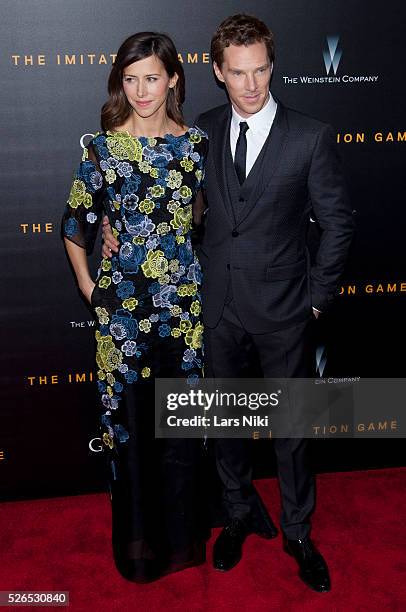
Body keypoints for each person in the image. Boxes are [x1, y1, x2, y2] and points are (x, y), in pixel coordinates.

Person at [102, 15, 355, 592]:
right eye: (237, 73)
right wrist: (117, 228)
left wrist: (315, 301)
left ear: (272, 65)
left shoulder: (309, 135)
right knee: (228, 424)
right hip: (214, 307)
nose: (251, 84)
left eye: (260, 69)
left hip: (285, 308)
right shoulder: (204, 132)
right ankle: (237, 515)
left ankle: (297, 531)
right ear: (218, 73)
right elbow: (172, 205)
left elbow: (338, 225)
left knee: (292, 429)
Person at [62, 31, 209, 583]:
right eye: (130, 79)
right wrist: (90, 289)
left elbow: (198, 217)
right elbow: (74, 224)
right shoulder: (102, 148)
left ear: (173, 78)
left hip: (183, 308)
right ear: (119, 83)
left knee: (179, 426)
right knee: (127, 428)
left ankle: (180, 540)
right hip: (122, 313)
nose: (141, 90)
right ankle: (139, 547)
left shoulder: (195, 143)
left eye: (151, 77)